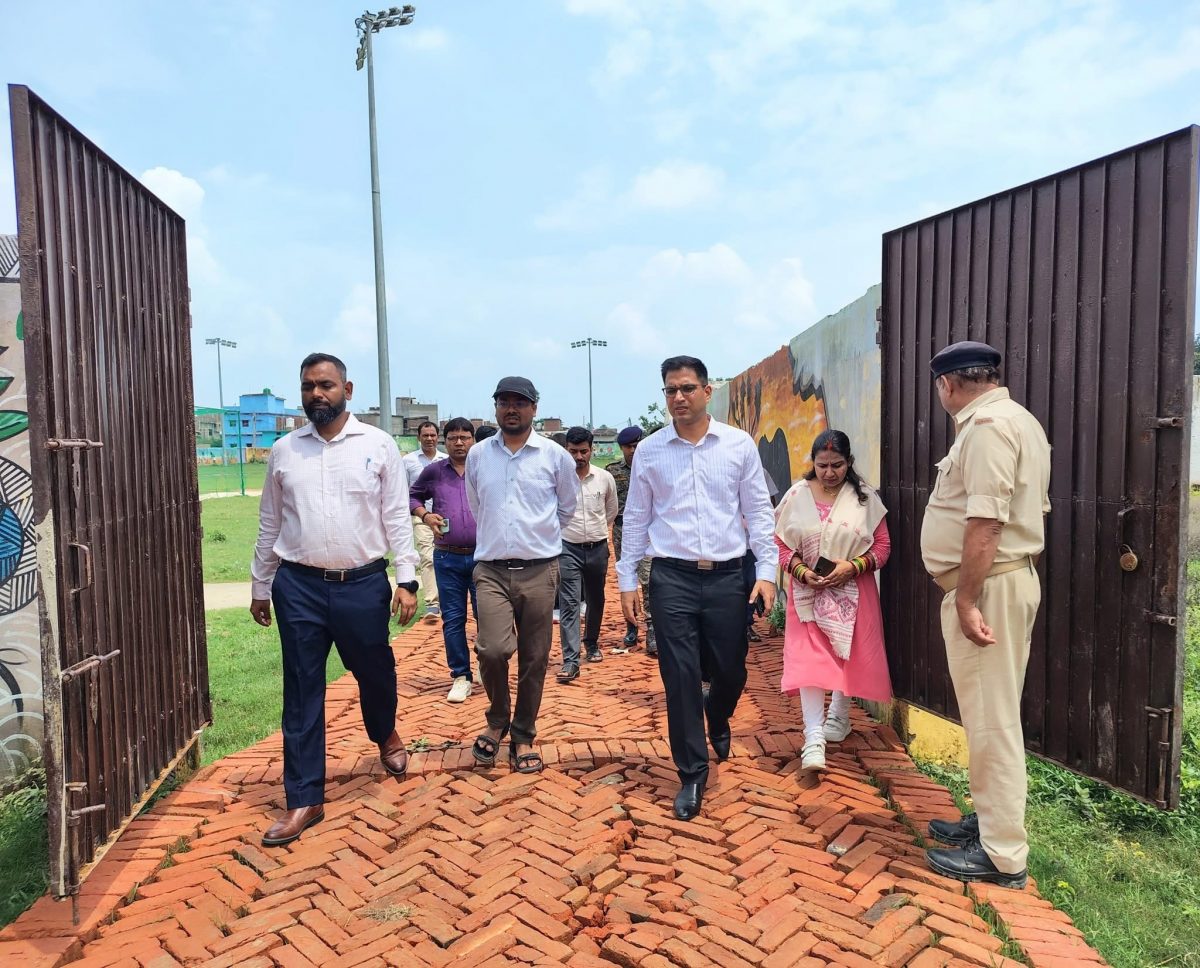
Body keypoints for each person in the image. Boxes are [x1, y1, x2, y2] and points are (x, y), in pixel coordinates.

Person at [250, 353, 418, 847]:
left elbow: (396, 516)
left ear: (348, 388)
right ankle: (304, 797)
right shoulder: (284, 451)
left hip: (362, 584)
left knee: (375, 671)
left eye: (325, 385)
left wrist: (406, 579)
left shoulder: (378, 445)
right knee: (302, 690)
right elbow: (270, 521)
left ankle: (384, 731)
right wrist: (261, 585)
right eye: (308, 386)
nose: (316, 394)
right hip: (298, 587)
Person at [619, 355, 776, 821]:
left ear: (707, 392)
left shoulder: (738, 445)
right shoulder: (650, 451)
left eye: (687, 388)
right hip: (672, 577)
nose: (678, 397)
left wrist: (767, 571)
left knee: (731, 668)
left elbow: (758, 511)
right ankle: (691, 771)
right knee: (680, 675)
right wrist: (627, 579)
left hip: (729, 575)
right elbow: (636, 517)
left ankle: (719, 712)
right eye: (670, 390)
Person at [920, 341, 1051, 891]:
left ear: (947, 384)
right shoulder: (1015, 419)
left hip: (989, 586)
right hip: (996, 583)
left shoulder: (988, 427)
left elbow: (986, 522)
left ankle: (1002, 855)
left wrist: (967, 600)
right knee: (989, 714)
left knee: (993, 720)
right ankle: (991, 819)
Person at [467, 377, 579, 774]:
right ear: (496, 407)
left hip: (540, 570)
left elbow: (567, 508)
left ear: (534, 408)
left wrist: (537, 538)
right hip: (491, 570)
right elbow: (478, 506)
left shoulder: (555, 456)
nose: (511, 408)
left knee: (535, 658)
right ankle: (498, 717)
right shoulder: (478, 455)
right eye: (504, 402)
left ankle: (523, 733)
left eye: (520, 402)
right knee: (492, 650)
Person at [774, 431, 891, 772]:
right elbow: (780, 545)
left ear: (849, 463)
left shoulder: (864, 499)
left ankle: (840, 715)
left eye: (837, 465)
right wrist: (800, 571)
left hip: (853, 590)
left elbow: (882, 547)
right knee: (808, 663)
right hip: (807, 593)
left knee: (847, 653)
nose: (829, 472)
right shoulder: (796, 496)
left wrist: (852, 567)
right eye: (822, 465)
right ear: (812, 463)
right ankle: (813, 737)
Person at [409, 417, 479, 703]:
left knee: (489, 618)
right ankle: (461, 676)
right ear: (444, 441)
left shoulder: (484, 469)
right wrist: (426, 515)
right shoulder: (434, 471)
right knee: (453, 619)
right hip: (447, 557)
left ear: (474, 440)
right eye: (453, 438)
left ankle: (487, 663)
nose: (459, 443)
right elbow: (413, 497)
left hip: (484, 558)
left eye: (465, 437)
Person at [557, 426, 618, 681]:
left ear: (592, 450)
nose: (578, 457)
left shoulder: (604, 478)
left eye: (583, 451)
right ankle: (570, 660)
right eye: (573, 451)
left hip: (597, 547)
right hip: (567, 547)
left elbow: (611, 510)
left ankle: (591, 642)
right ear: (566, 450)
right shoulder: (559, 479)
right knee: (569, 603)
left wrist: (596, 531)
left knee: (596, 598)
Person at [606, 426, 656, 655]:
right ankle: (631, 627)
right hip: (621, 529)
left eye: (637, 445)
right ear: (622, 448)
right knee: (627, 577)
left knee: (647, 578)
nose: (633, 450)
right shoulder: (613, 471)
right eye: (629, 446)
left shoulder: (651, 466)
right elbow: (608, 503)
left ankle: (652, 629)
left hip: (647, 531)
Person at [403, 420, 447, 617]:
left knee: (445, 559)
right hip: (420, 517)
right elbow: (404, 492)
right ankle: (432, 604)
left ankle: (448, 600)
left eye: (433, 435)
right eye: (425, 435)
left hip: (444, 518)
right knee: (427, 558)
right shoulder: (408, 461)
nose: (429, 439)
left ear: (438, 437)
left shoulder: (446, 460)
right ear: (418, 437)